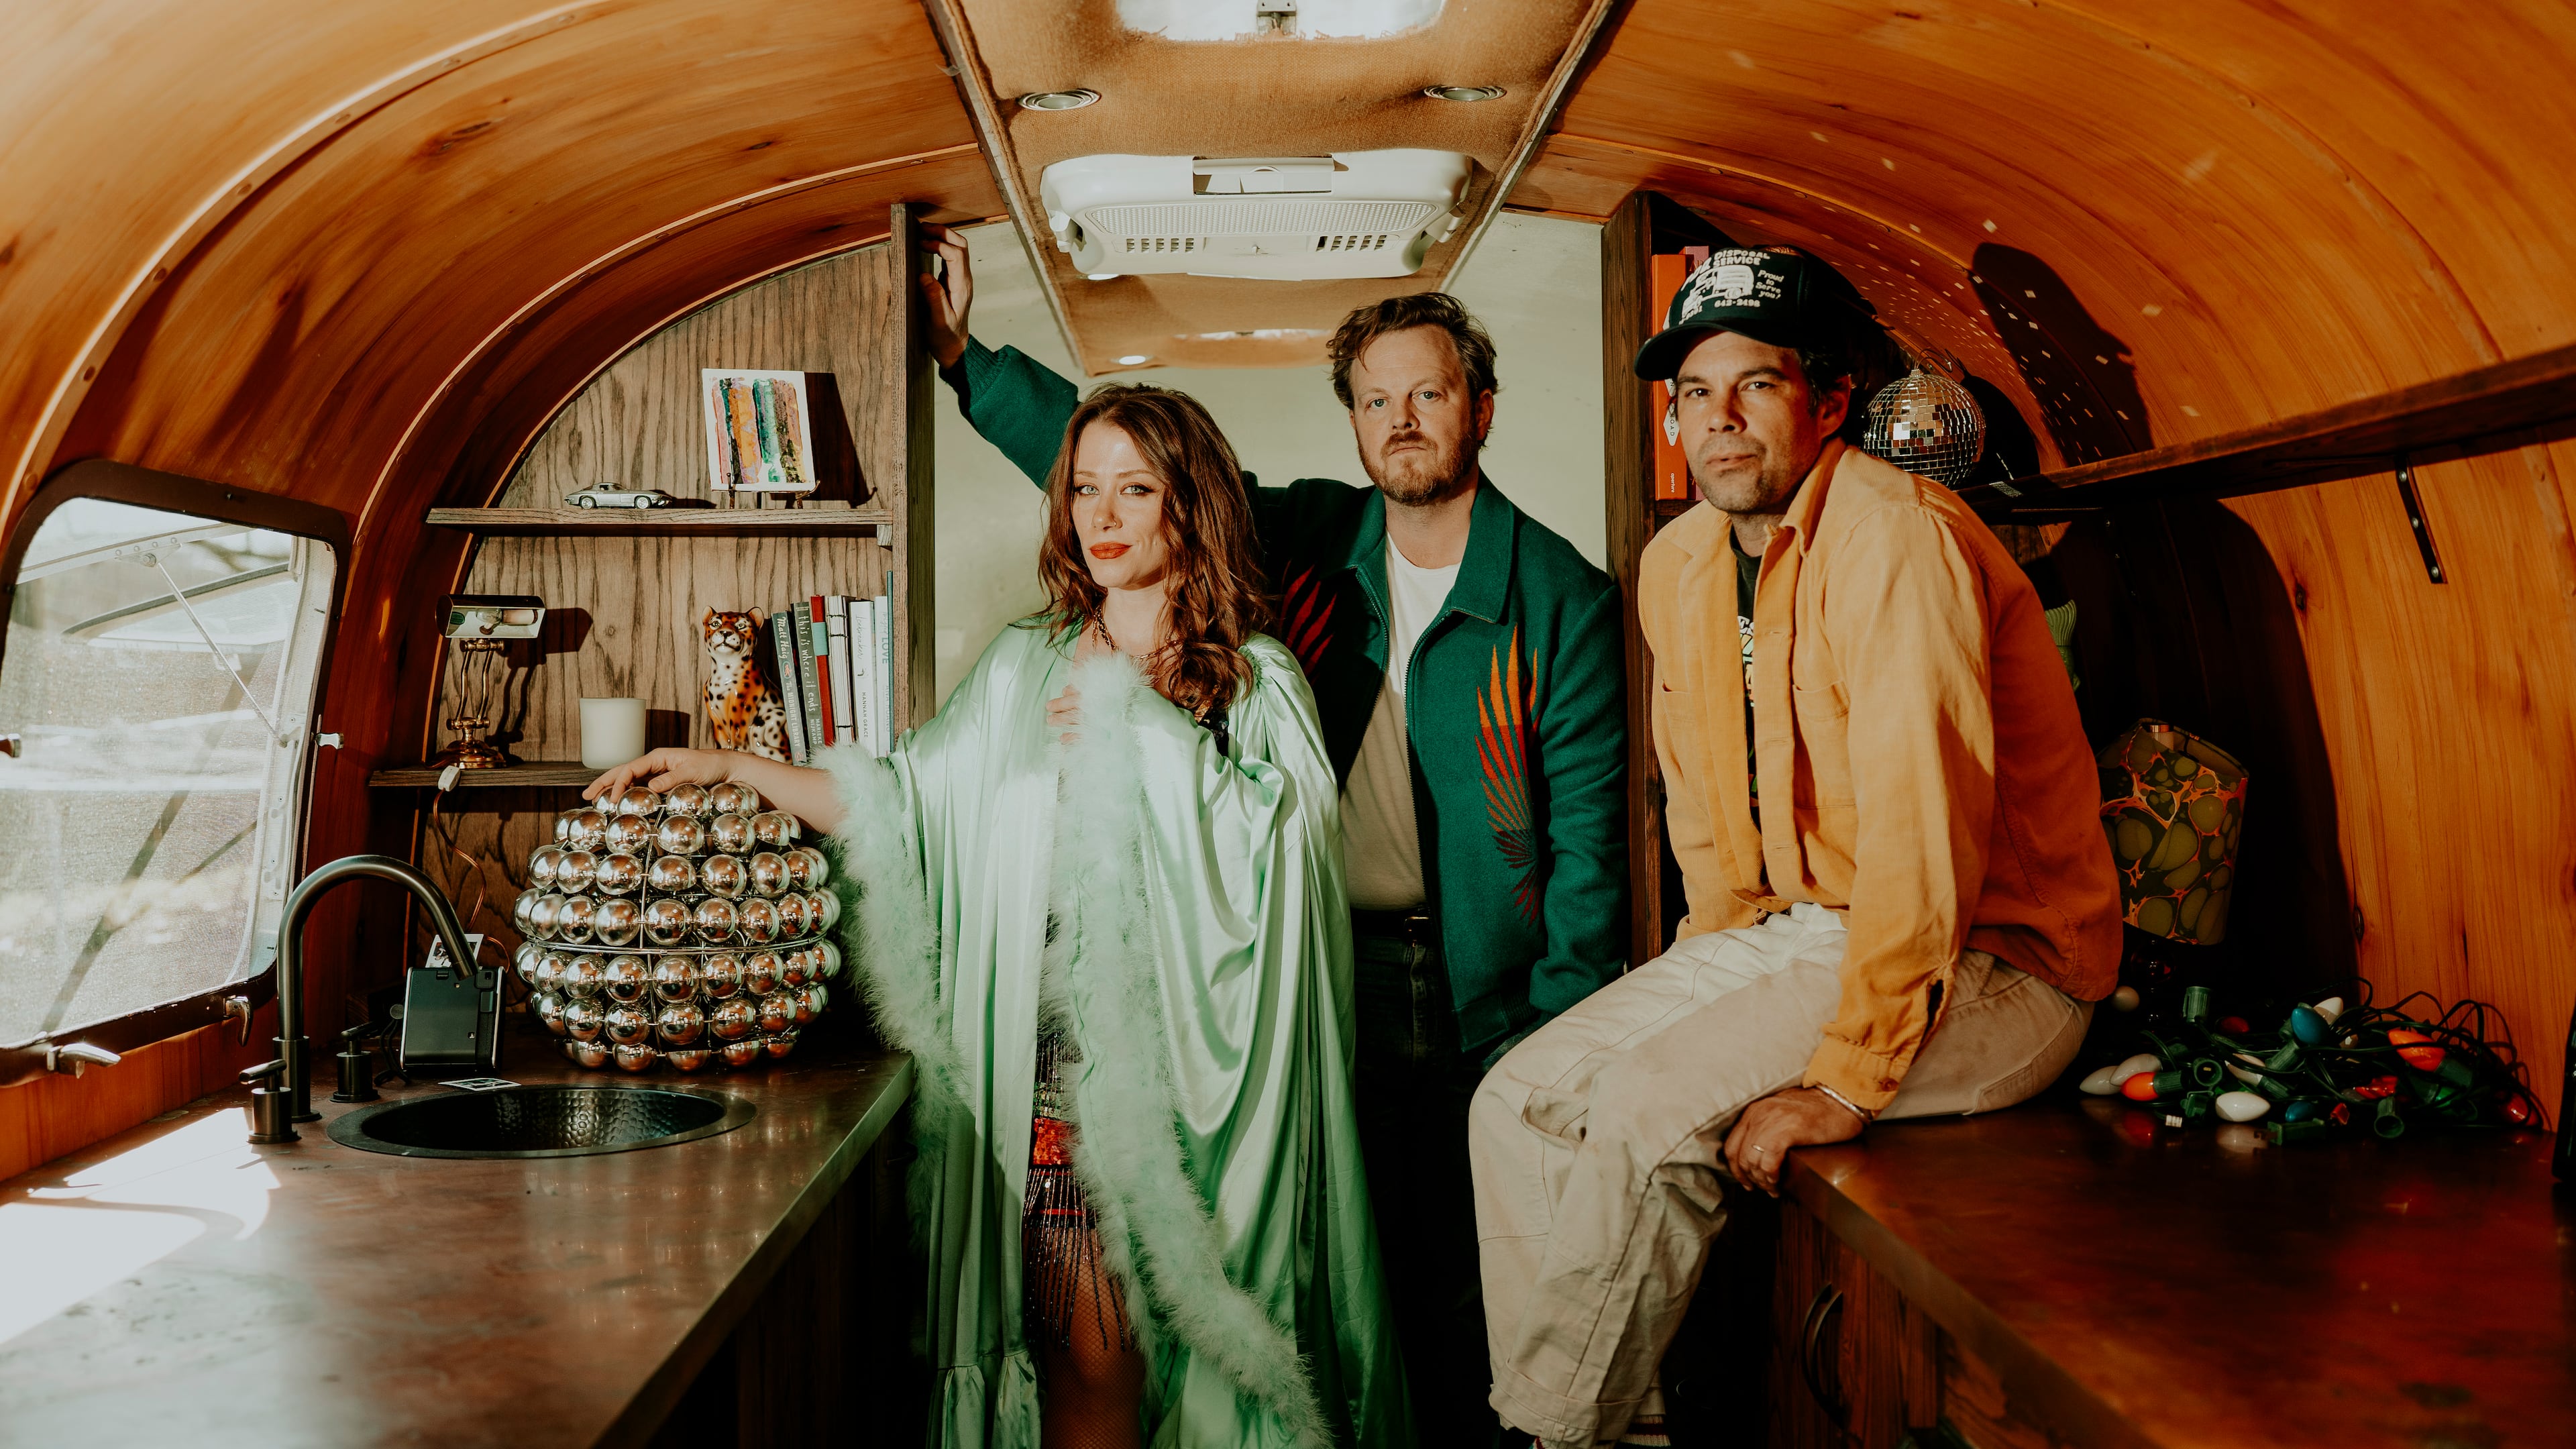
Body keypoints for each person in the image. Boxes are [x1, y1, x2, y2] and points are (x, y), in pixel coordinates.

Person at [586, 386, 1409, 1449]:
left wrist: (1143, 728)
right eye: (1084, 489)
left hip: (1212, 1102)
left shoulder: (1257, 682)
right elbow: (896, 803)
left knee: (1211, 1372)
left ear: (1187, 506)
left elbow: (1289, 856)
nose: (1103, 514)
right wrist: (730, 762)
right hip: (1060, 1090)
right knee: (1086, 1357)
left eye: (1136, 488)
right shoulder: (1025, 666)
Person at [918, 224, 1627, 1446]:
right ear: (1355, 421)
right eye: (1375, 399)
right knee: (1340, 1271)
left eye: (1429, 393)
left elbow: (1589, 857)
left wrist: (1557, 1055)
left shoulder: (1558, 594)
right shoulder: (1311, 541)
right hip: (1316, 972)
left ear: (1483, 409)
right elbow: (1129, 478)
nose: (1401, 419)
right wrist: (967, 361)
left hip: (1484, 999)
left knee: (1481, 1289)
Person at [1469, 247, 2123, 1449]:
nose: (1716, 422)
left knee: (1650, 1113)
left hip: (1997, 959)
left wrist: (1839, 1077)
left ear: (1827, 403)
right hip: (1799, 928)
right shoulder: (1679, 564)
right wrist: (1700, 995)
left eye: (1754, 387)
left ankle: (1557, 1437)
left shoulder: (1897, 539)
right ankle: (1612, 1428)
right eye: (1691, 395)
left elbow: (1928, 842)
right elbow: (1708, 831)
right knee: (1513, 1103)